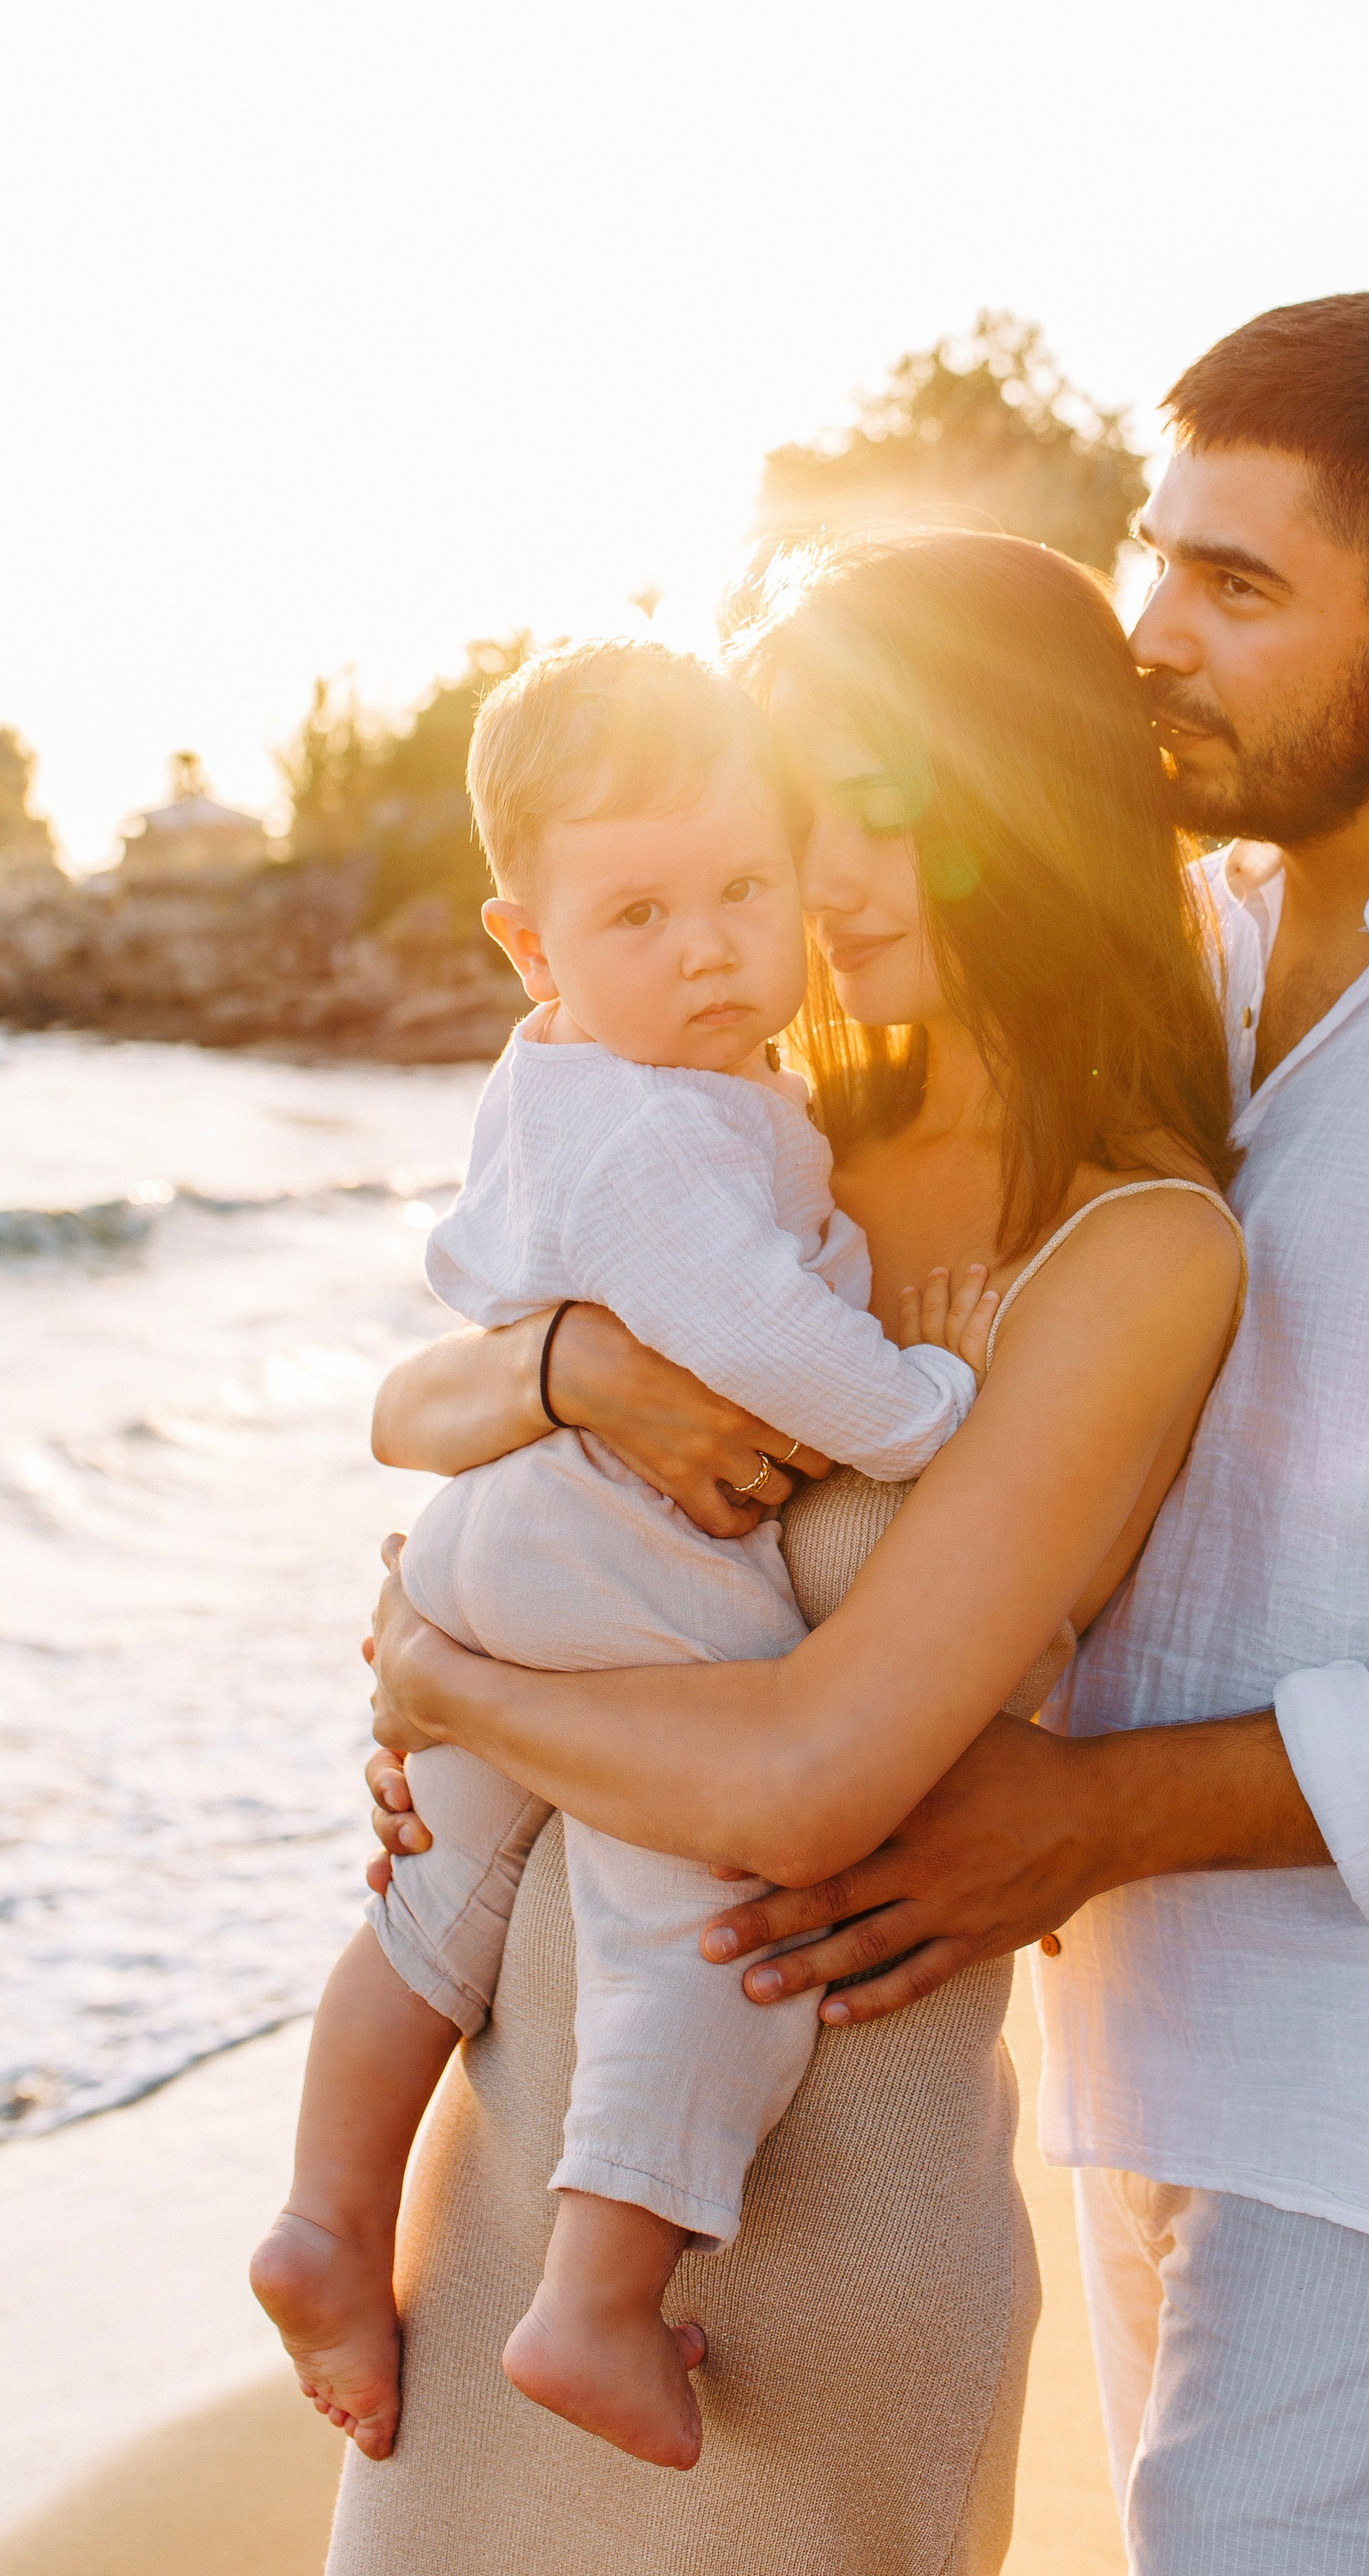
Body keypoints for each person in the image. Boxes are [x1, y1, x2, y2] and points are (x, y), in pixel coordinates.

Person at [372, 292, 1369, 2574]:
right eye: (1156, 560)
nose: (1157, 639)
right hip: (1101, 2049)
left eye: (1239, 588)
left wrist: (1092, 1812)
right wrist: (553, 1396)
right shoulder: (1204, 952)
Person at [329, 530, 1247, 2576]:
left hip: (820, 2248)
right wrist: (577, 1372)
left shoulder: (1137, 1251)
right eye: (786, 817)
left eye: (879, 808)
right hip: (521, 2169)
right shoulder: (767, 1131)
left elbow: (814, 1777)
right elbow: (411, 1408)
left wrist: (456, 1689)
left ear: (1022, 800)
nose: (816, 883)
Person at [253, 636, 1003, 2474]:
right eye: (642, 913)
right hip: (604, 1546)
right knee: (708, 1905)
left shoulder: (602, 1084)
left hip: (506, 1540)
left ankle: (329, 2221)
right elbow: (768, 1342)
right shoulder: (659, 1130)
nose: (707, 947)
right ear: (531, 950)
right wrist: (933, 1410)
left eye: (743, 893)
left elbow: (453, 1383)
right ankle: (599, 2290)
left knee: (445, 1897)